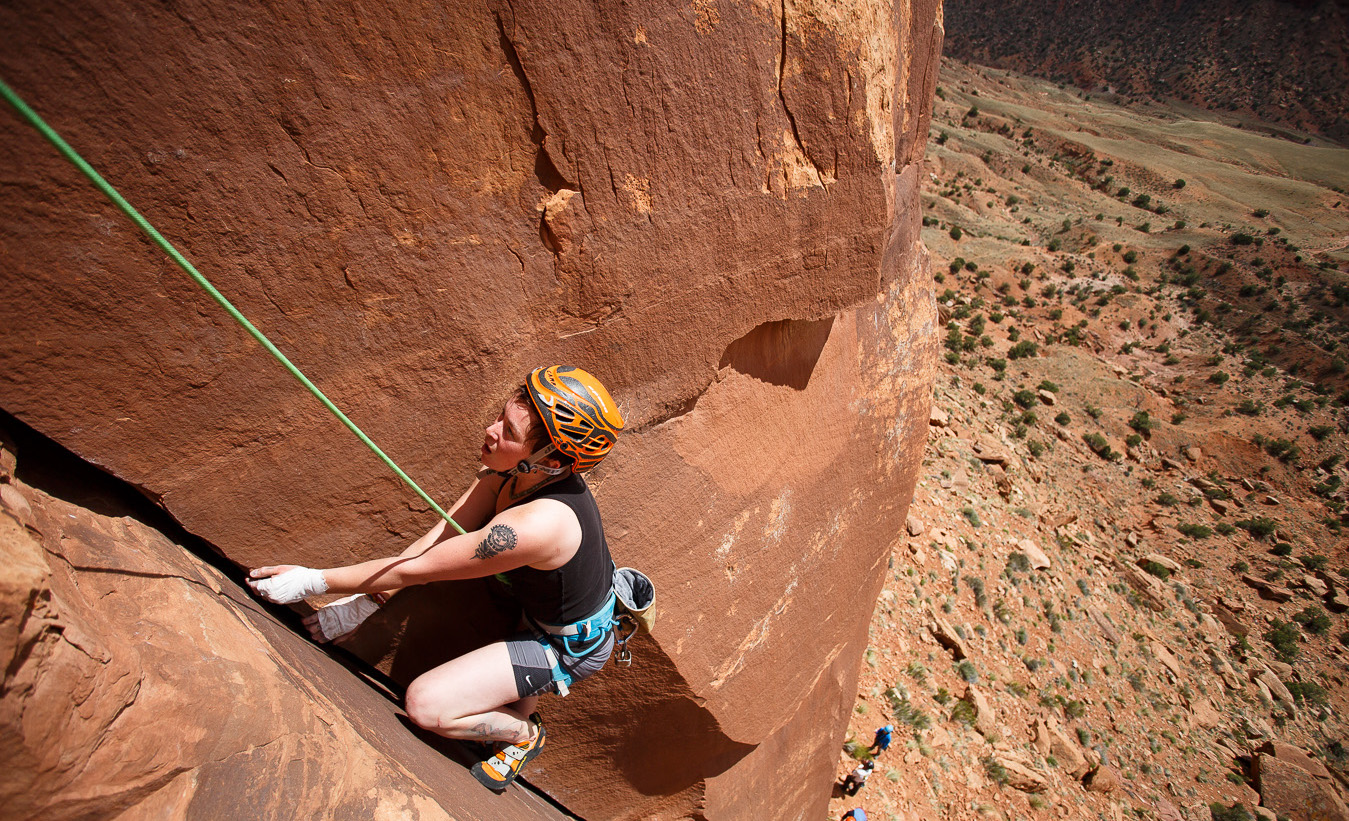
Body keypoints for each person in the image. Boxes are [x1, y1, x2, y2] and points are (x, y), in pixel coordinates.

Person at [247, 365, 625, 792]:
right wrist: (365, 602)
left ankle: (524, 734)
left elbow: (417, 570)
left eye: (509, 432)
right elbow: (433, 546)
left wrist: (314, 582)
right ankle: (519, 707)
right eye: (500, 416)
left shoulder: (534, 527)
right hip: (541, 609)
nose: (490, 430)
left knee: (427, 708)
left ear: (551, 461)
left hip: (565, 644)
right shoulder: (513, 473)